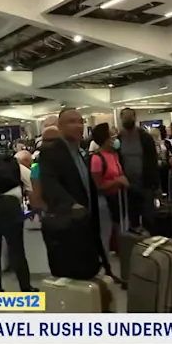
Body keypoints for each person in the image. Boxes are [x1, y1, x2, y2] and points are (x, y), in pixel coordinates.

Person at [39, 109, 107, 279]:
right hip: (69, 224)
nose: (78, 126)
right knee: (75, 272)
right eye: (72, 122)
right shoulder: (51, 151)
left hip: (86, 221)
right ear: (60, 127)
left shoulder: (79, 151)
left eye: (80, 121)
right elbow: (49, 184)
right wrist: (71, 204)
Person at [0, 150, 38, 293]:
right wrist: (35, 210)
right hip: (9, 207)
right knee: (16, 248)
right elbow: (31, 190)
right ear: (25, 160)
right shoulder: (20, 168)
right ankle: (25, 287)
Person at [117, 108, 160, 232]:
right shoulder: (119, 139)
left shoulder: (145, 138)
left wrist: (156, 185)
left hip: (145, 184)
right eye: (125, 117)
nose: (127, 120)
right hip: (128, 187)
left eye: (130, 117)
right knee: (132, 220)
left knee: (149, 219)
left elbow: (153, 162)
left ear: (135, 118)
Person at [89, 123, 127, 256]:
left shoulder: (115, 155)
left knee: (118, 228)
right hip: (104, 201)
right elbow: (98, 185)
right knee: (105, 232)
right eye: (112, 136)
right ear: (105, 139)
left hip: (118, 198)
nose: (115, 138)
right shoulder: (97, 159)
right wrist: (117, 181)